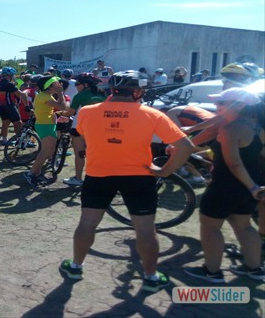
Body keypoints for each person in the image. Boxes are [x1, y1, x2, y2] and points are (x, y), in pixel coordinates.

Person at [59, 70, 195, 293]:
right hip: (139, 177)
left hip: (99, 174)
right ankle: (151, 277)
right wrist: (165, 171)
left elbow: (80, 135)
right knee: (145, 230)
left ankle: (75, 266)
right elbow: (185, 147)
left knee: (87, 223)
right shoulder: (152, 114)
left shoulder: (87, 111)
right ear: (138, 92)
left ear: (112, 90)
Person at [183, 88, 265, 283]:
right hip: (248, 187)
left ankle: (212, 272)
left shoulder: (231, 129)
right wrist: (254, 187)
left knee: (210, 227)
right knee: (244, 226)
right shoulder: (258, 129)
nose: (217, 106)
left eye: (222, 102)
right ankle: (255, 269)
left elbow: (234, 163)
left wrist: (252, 186)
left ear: (240, 105)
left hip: (226, 186)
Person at [62, 73, 107, 187]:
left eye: (77, 84)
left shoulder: (79, 96)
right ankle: (98, 178)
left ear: (85, 84)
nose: (76, 86)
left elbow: (70, 113)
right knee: (97, 154)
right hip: (99, 128)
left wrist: (60, 112)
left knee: (80, 154)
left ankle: (78, 178)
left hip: (80, 127)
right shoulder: (102, 94)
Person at [24, 76, 67, 186]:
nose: (59, 84)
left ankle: (36, 173)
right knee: (46, 152)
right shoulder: (43, 96)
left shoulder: (47, 96)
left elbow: (61, 107)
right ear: (49, 85)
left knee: (49, 151)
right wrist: (60, 93)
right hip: (45, 125)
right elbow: (63, 107)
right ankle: (31, 174)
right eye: (56, 83)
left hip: (48, 124)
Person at [0, 66, 27, 145]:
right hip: (9, 106)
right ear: (10, 75)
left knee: (5, 122)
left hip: (0, 106)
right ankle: (19, 140)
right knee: (18, 123)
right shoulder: (9, 84)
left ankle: (5, 139)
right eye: (13, 75)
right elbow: (20, 95)